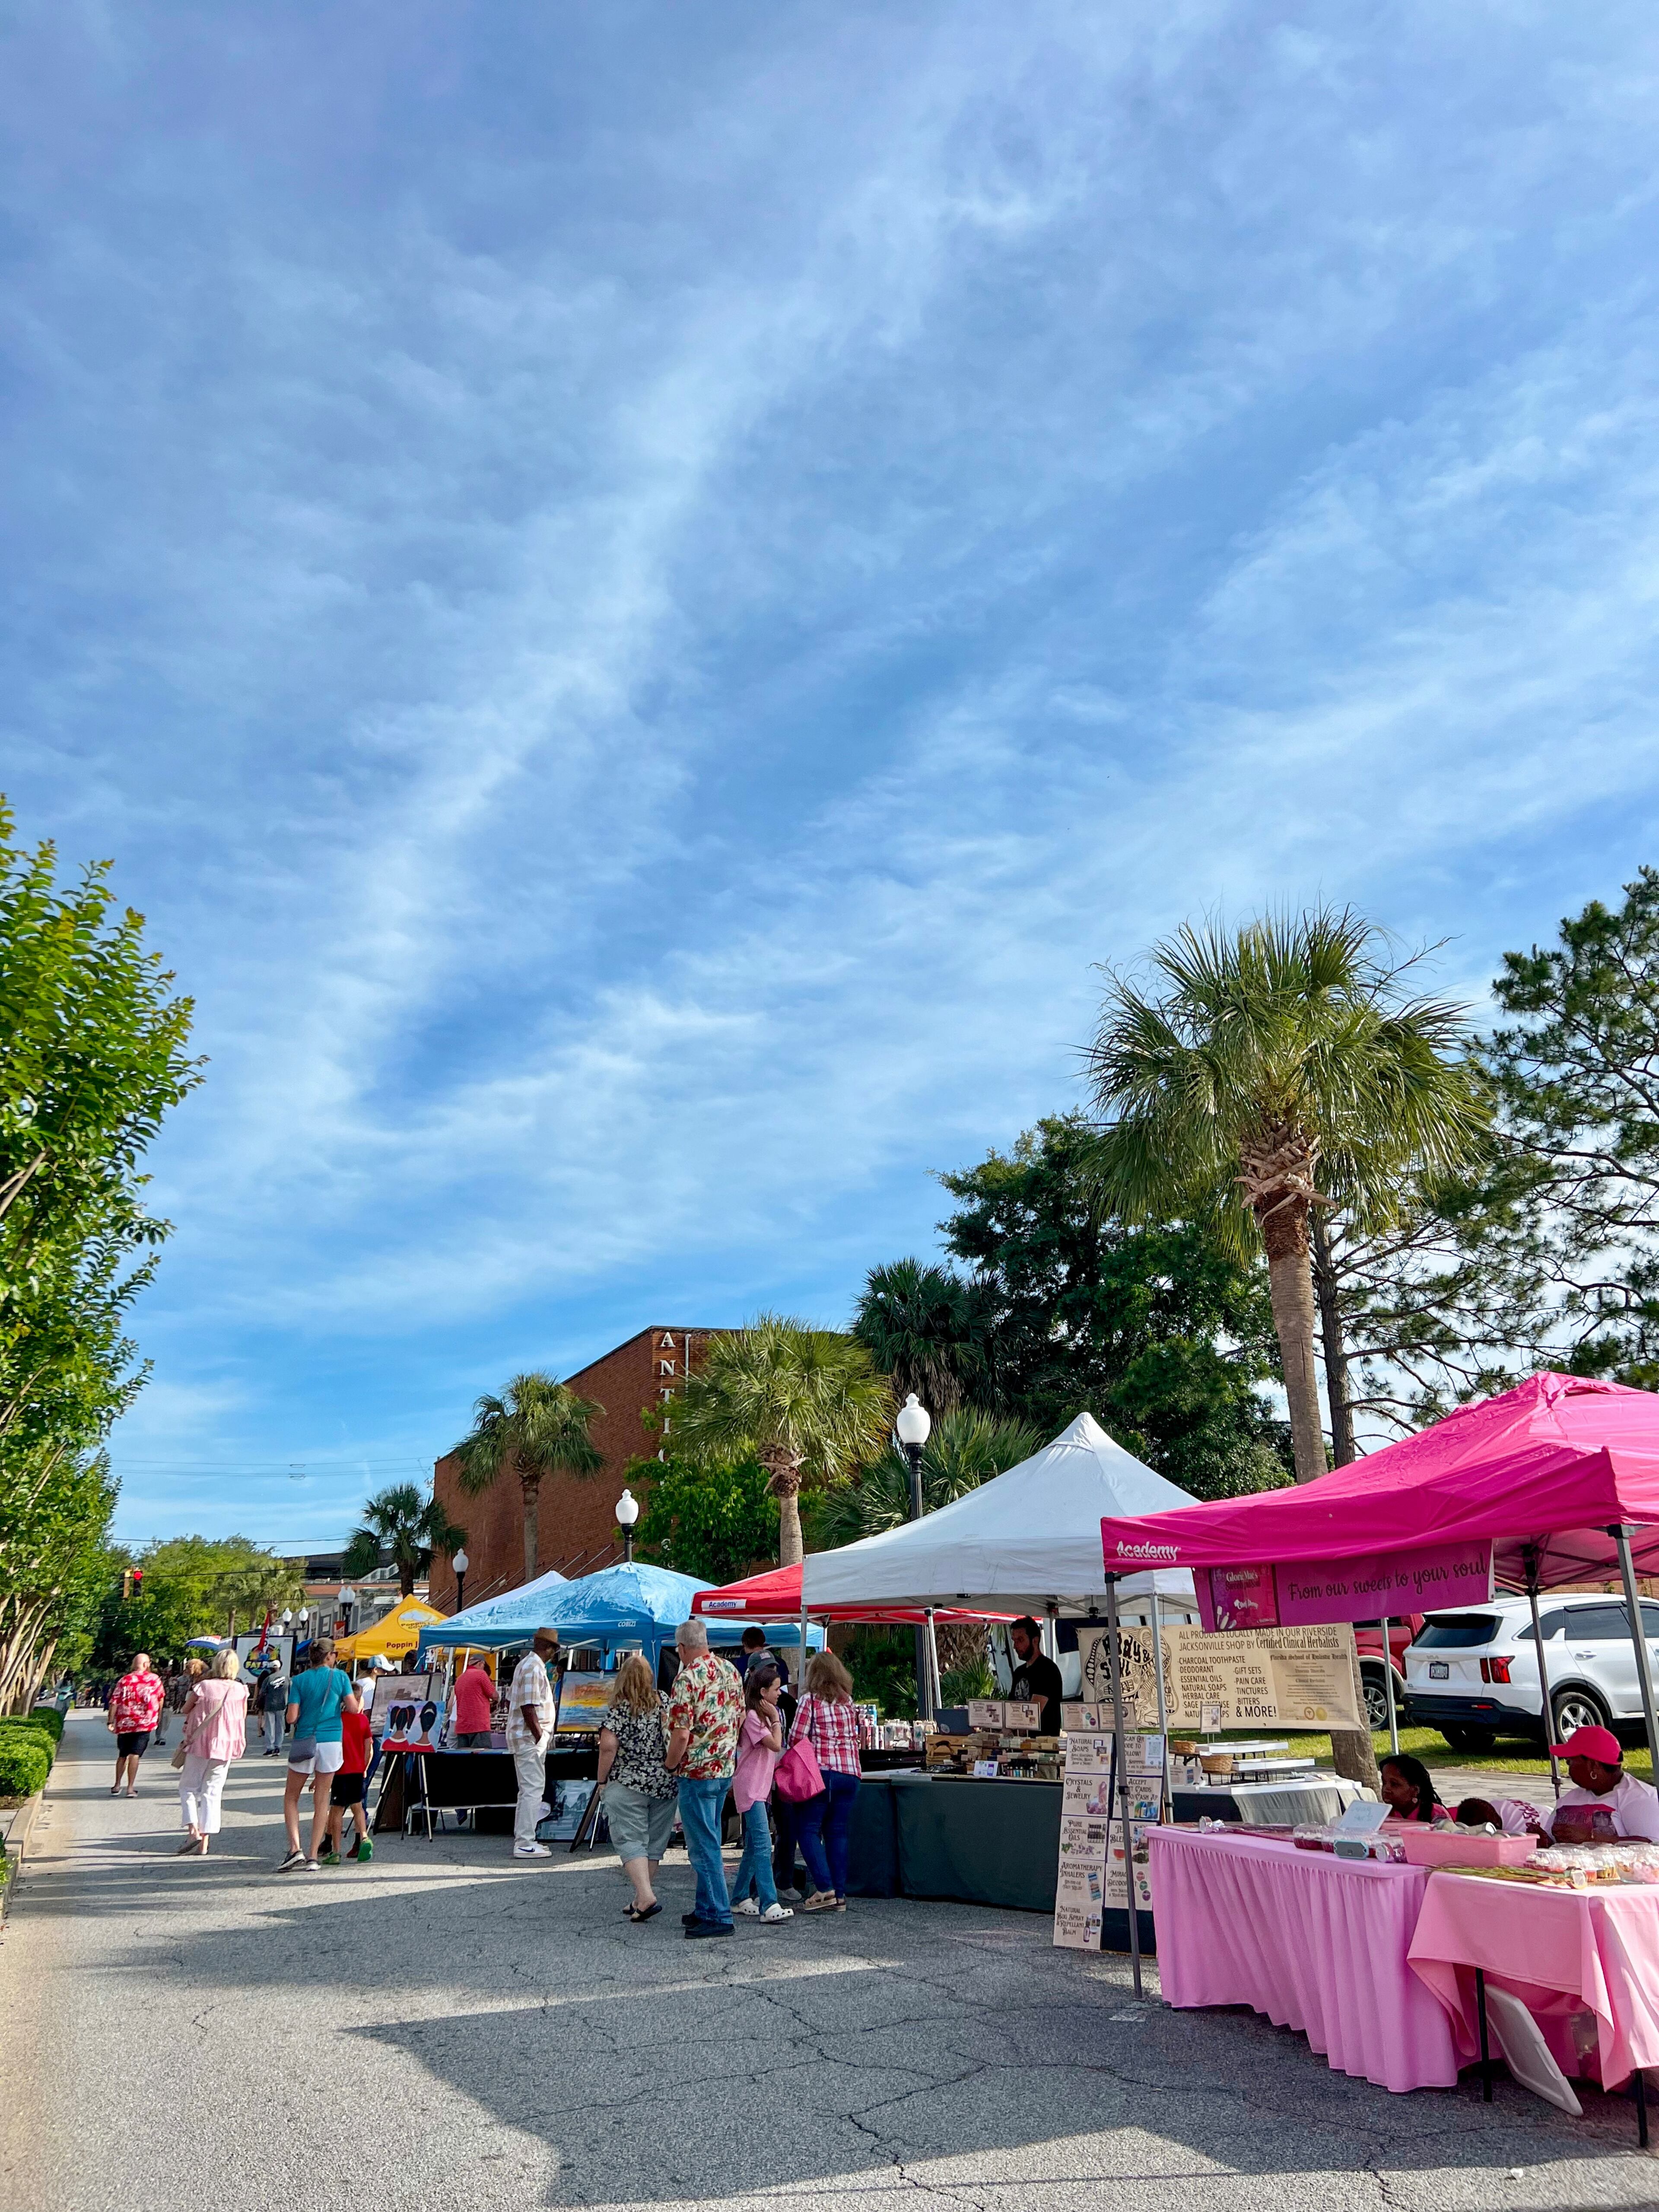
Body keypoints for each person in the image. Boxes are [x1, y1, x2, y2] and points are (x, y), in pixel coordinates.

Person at [663, 1618, 743, 1939]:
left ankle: (720, 1915)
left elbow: (681, 1735)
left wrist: (670, 1765)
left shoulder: (686, 1679)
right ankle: (705, 1908)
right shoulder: (731, 1671)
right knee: (709, 1840)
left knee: (703, 1846)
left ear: (682, 1648)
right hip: (723, 1769)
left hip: (696, 1771)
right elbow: (739, 1717)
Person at [595, 1652, 677, 1922]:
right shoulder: (664, 1701)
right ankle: (641, 1898)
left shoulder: (620, 1709)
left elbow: (608, 1747)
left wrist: (601, 1781)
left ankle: (645, 1895)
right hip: (665, 1783)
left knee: (631, 1840)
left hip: (628, 1783)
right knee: (653, 1844)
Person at [279, 1636, 362, 1872]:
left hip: (306, 1740)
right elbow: (354, 1709)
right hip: (332, 1742)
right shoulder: (341, 1677)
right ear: (329, 1656)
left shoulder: (299, 1681)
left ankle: (296, 1849)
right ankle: (314, 1856)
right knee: (322, 1800)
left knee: (291, 1797)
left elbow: (292, 1717)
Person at [790, 1650, 862, 1912]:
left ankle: (825, 1888)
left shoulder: (809, 1701)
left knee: (808, 1830)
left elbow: (797, 1738)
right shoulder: (848, 1702)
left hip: (820, 1774)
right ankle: (840, 1895)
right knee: (837, 1832)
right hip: (850, 1773)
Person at [731, 1661, 792, 1923]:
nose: (780, 1693)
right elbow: (776, 1745)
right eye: (776, 1689)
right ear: (763, 1692)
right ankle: (769, 1903)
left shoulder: (761, 1716)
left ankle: (739, 1897)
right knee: (764, 1845)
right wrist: (777, 1720)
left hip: (760, 1788)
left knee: (754, 1846)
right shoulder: (755, 1718)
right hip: (751, 1788)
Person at [177, 1646, 249, 1856]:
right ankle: (205, 1842)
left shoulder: (204, 1687)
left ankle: (193, 1830)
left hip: (200, 1743)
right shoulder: (241, 1690)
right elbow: (242, 1717)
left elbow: (185, 1709)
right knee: (212, 1792)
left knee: (188, 1787)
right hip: (226, 1746)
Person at [1542, 1725, 1659, 1842]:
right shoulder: (1570, 1799)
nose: (1567, 1762)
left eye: (1571, 1760)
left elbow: (1652, 1849)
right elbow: (1550, 1838)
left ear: (1594, 1765)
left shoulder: (1640, 1799)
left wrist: (1592, 1838)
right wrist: (1543, 1839)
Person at [507, 1629, 561, 1859]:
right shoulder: (532, 1667)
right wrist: (540, 1737)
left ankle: (524, 1838)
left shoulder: (528, 1665)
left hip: (527, 1738)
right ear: (549, 1649)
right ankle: (525, 1842)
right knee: (532, 1790)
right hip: (530, 1739)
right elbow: (528, 1708)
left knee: (527, 1791)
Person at [320, 1669, 376, 1866]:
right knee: (358, 1807)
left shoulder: (338, 1721)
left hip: (340, 1770)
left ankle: (335, 1851)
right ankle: (364, 1838)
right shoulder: (363, 1721)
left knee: (336, 1810)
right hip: (357, 1770)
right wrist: (365, 1767)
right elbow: (369, 1747)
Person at [107, 1652, 166, 1797]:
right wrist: (158, 1716)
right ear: (146, 1665)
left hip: (125, 1724)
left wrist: (110, 1721)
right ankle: (130, 1788)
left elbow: (114, 1702)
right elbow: (160, 1699)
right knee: (135, 1755)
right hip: (144, 1724)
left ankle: (117, 1785)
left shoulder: (124, 1681)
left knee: (123, 1755)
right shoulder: (154, 1680)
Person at [1007, 1618, 1063, 1735]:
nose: (1015, 1646)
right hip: (1018, 1747)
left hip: (1042, 1748)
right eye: (1014, 1641)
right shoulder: (1019, 1672)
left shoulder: (1048, 1670)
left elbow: (1034, 1713)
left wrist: (1012, 1731)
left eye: (1020, 1640)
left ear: (1035, 1641)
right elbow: (1010, 1708)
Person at [1379, 1753, 1448, 1823]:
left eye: (1394, 1784)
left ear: (1415, 1790)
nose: (1386, 1789)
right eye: (1384, 1783)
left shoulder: (1435, 1814)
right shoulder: (1382, 1814)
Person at [452, 1653, 496, 1747]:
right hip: (479, 1726)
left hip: (462, 1727)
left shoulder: (460, 1679)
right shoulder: (481, 1674)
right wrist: (497, 1700)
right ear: (481, 1663)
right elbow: (494, 1695)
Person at [257, 1657, 290, 1756]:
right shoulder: (287, 1678)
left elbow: (262, 1692)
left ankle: (270, 1748)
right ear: (280, 1667)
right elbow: (291, 1690)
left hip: (269, 1706)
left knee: (270, 1727)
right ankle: (278, 1747)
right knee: (280, 1727)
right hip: (282, 1705)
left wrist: (258, 1704)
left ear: (271, 1669)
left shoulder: (268, 1679)